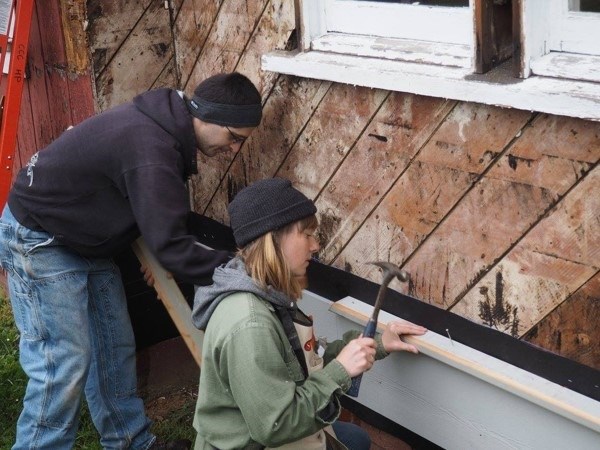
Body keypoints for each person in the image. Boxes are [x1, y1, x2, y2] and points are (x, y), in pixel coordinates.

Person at [0, 72, 263, 450]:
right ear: (207, 116)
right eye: (233, 138)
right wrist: (243, 271)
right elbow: (173, 245)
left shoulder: (162, 129)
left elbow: (153, 214)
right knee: (62, 366)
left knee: (113, 348)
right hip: (41, 238)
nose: (234, 149)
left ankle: (129, 443)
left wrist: (162, 247)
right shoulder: (152, 149)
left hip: (85, 239)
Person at [191, 178, 427, 450]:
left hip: (275, 432)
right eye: (307, 234)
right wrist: (340, 371)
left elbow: (301, 361)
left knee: (357, 439)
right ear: (273, 238)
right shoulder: (250, 324)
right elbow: (276, 424)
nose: (315, 246)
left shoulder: (267, 293)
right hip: (261, 441)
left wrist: (377, 342)